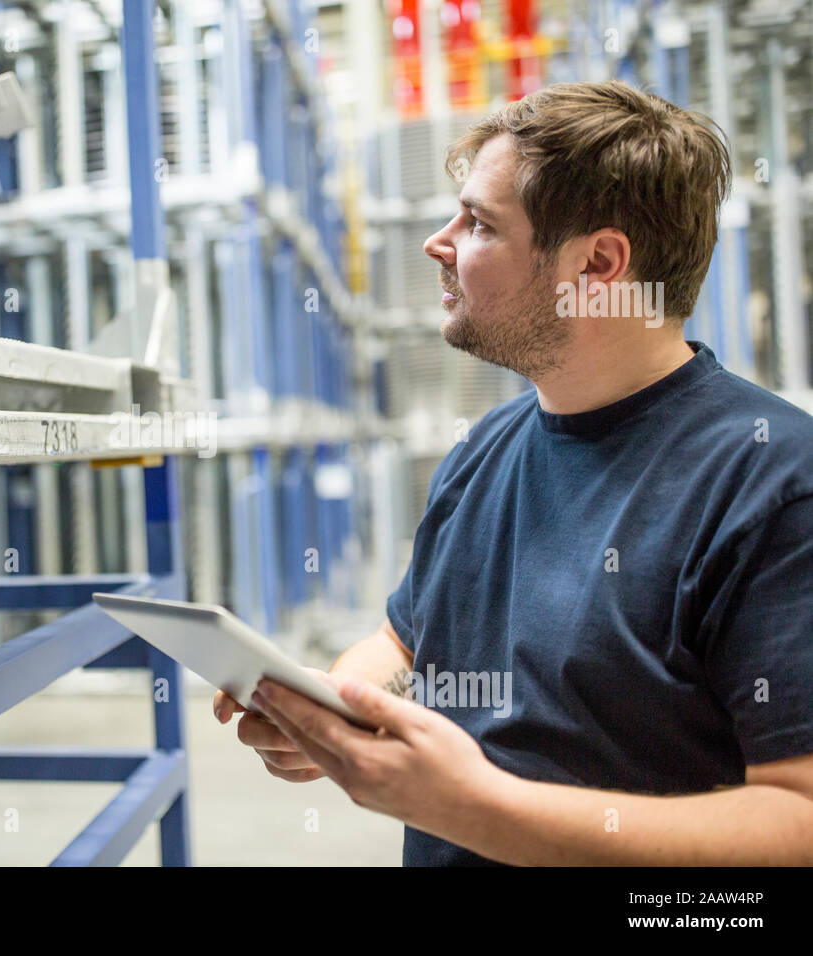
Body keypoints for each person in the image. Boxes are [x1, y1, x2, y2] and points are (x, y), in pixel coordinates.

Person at [214, 80, 813, 865]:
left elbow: (797, 821)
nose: (439, 242)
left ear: (597, 264)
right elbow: (407, 641)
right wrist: (336, 711)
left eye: (479, 223)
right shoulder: (484, 447)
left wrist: (477, 808)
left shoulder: (772, 481)